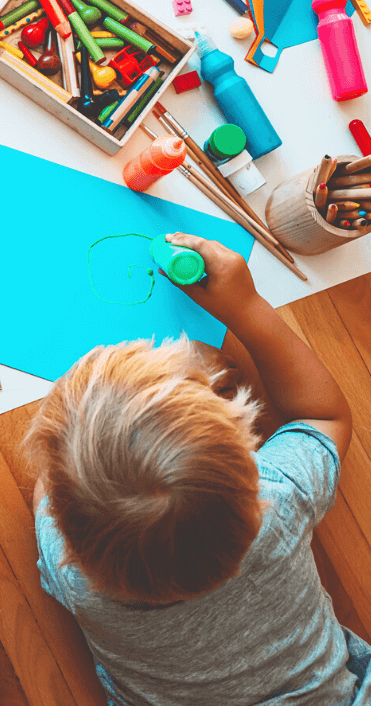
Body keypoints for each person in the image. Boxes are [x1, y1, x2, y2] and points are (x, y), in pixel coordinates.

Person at [24, 232, 369, 706]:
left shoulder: (79, 583)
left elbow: (47, 488)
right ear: (252, 471)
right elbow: (324, 417)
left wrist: (77, 415)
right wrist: (245, 306)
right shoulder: (279, 502)